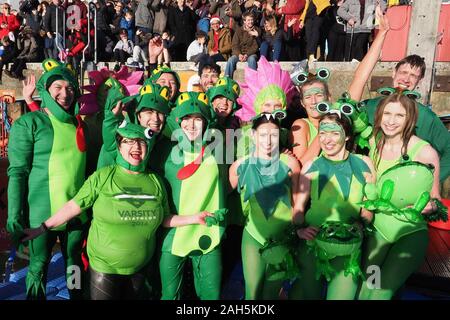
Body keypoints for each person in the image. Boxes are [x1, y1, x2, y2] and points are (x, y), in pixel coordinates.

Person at [21, 121, 171, 300]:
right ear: (119, 147)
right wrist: (42, 227)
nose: (136, 147)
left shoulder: (156, 182)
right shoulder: (103, 176)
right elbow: (73, 206)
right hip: (104, 268)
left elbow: (165, 218)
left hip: (140, 269)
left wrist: (195, 218)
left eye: (141, 142)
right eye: (128, 141)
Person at [7, 59, 89, 299]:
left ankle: (75, 295)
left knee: (73, 264)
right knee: (38, 264)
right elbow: (17, 172)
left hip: (75, 213)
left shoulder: (78, 124)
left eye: (70, 88)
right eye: (58, 88)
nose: (65, 93)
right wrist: (14, 215)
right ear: (47, 91)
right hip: (40, 215)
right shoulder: (29, 123)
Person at [358, 92, 442, 300]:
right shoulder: (374, 144)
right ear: (379, 115)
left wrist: (428, 206)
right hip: (377, 232)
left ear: (410, 119)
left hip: (409, 234)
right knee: (368, 286)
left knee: (381, 292)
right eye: (387, 113)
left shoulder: (425, 152)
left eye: (399, 115)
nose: (391, 121)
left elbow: (436, 199)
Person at [289, 111, 376, 300]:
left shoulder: (364, 163)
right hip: (312, 244)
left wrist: (360, 226)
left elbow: (369, 208)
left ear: (348, 136)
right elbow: (298, 208)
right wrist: (300, 231)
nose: (327, 140)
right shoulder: (311, 165)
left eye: (334, 133)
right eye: (322, 133)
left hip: (348, 246)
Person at [289, 5, 390, 166]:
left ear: (329, 98)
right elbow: (300, 166)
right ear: (302, 103)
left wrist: (382, 33)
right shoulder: (301, 125)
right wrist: (326, 130)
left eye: (319, 95)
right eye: (308, 97)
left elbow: (360, 77)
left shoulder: (341, 113)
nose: (314, 101)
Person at [153, 91, 228, 300]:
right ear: (178, 121)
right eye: (186, 119)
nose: (192, 125)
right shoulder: (164, 149)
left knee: (211, 295)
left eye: (197, 119)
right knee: (170, 295)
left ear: (206, 122)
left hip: (209, 230)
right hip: (173, 233)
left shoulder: (220, 147)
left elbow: (238, 169)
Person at [229, 111, 302, 299]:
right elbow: (223, 196)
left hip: (282, 238)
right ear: (253, 135)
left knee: (271, 295)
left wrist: (296, 231)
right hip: (253, 235)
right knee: (252, 293)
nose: (268, 140)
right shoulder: (239, 166)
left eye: (274, 135)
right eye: (262, 135)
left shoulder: (291, 163)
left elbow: (297, 201)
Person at [363, 55, 450, 183]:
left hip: (405, 187)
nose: (406, 79)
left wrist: (431, 181)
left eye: (413, 76)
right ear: (393, 73)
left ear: (419, 81)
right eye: (403, 72)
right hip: (371, 182)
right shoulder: (370, 106)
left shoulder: (426, 117)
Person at [224, 11, 260, 78]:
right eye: (248, 20)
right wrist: (239, 54)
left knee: (252, 60)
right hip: (239, 54)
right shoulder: (239, 31)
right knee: (231, 60)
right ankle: (227, 78)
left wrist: (247, 55)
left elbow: (256, 46)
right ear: (244, 21)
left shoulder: (257, 30)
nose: (251, 22)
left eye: (252, 20)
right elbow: (235, 45)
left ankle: (253, 80)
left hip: (250, 54)